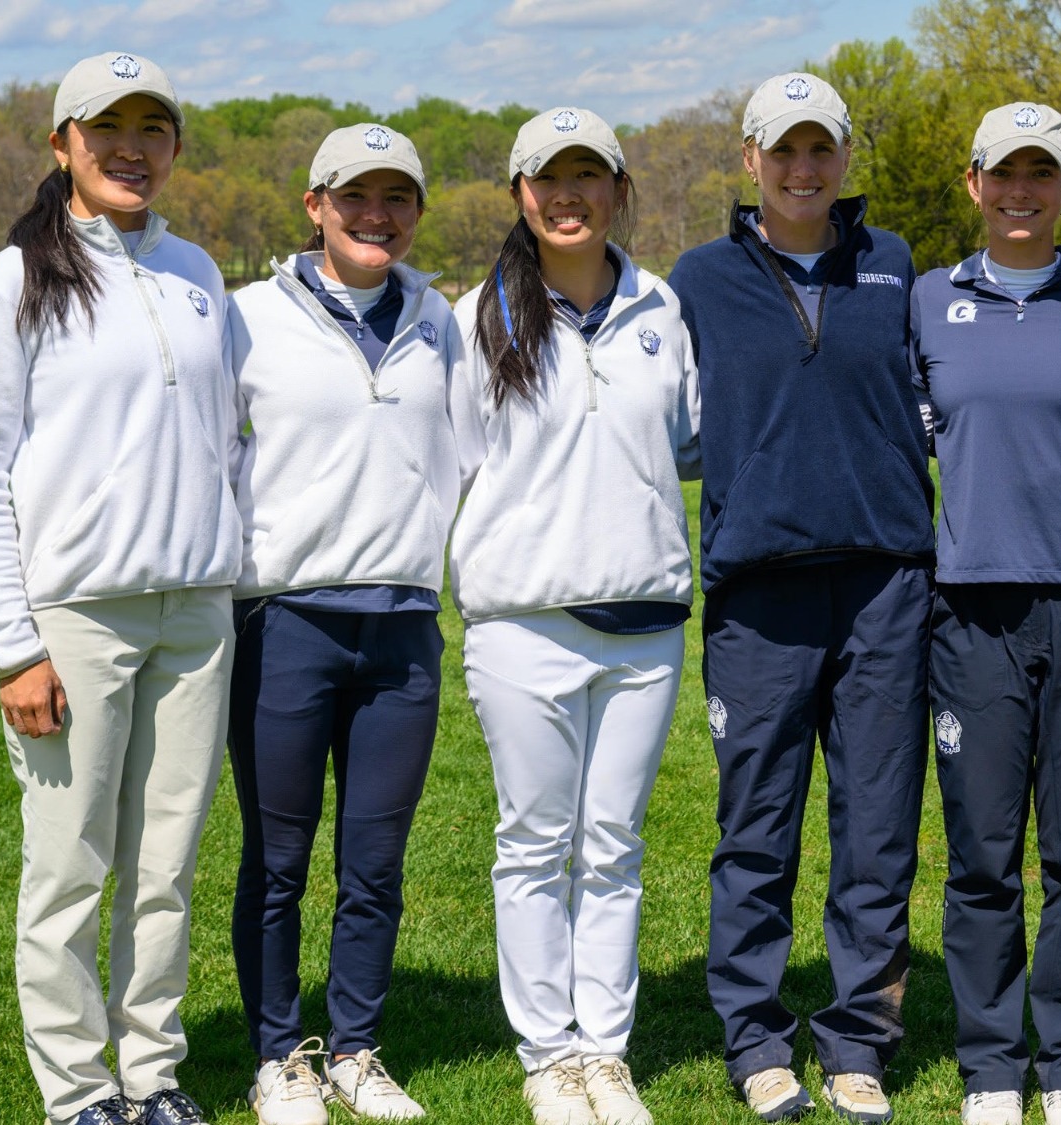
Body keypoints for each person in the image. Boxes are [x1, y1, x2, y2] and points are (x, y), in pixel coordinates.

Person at [0, 52, 238, 1125]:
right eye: (104, 127)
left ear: (171, 145)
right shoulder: (12, 282)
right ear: (61, 143)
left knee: (166, 868)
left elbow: (228, 439)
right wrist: (11, 644)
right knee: (70, 869)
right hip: (73, 618)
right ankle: (78, 1091)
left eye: (151, 128)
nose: (130, 146)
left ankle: (152, 1073)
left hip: (198, 613)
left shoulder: (199, 275)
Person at [667, 72, 934, 1125]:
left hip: (883, 589)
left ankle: (859, 1038)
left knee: (877, 829)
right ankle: (755, 1038)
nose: (802, 168)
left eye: (820, 148)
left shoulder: (895, 266)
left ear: (844, 155)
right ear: (749, 159)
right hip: (757, 596)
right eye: (782, 150)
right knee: (757, 827)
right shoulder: (698, 278)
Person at [450, 107, 700, 1125]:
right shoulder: (477, 315)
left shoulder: (662, 308)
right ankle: (546, 1057)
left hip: (644, 621)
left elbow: (690, 442)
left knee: (612, 846)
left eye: (587, 176)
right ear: (519, 194)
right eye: (548, 179)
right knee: (534, 842)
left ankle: (605, 1051)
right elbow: (454, 460)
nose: (568, 196)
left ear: (617, 189)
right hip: (522, 623)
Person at [908, 102, 1061, 1125]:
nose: (1019, 192)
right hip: (972, 606)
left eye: (1039, 174)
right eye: (1002, 174)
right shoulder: (924, 302)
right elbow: (909, 434)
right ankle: (993, 1068)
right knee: (980, 855)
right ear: (972, 183)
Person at [225, 122, 463, 1124]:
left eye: (396, 197)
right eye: (354, 196)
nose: (377, 215)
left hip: (403, 627)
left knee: (374, 861)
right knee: (278, 860)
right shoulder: (242, 320)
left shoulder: (440, 321)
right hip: (286, 625)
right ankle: (280, 1055)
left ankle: (356, 1049)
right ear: (314, 205)